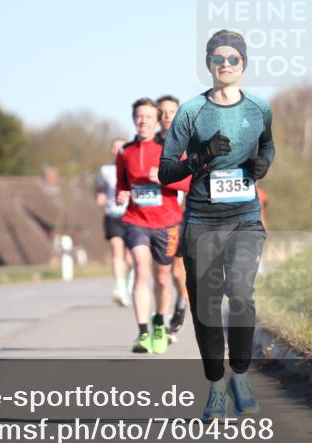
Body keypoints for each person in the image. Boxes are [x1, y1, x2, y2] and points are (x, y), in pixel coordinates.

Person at [160, 29, 274, 422]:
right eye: (218, 59)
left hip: (245, 219)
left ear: (243, 64)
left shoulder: (260, 107)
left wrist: (263, 166)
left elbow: (267, 146)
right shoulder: (191, 112)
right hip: (202, 222)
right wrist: (200, 158)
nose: (226, 65)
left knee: (240, 291)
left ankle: (240, 375)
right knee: (206, 308)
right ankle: (215, 386)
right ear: (208, 63)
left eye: (233, 59)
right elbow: (165, 171)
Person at [116, 98, 190, 354]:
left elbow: (189, 183)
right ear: (133, 119)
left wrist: (164, 178)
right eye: (139, 116)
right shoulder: (124, 152)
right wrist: (122, 194)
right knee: (140, 270)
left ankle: (160, 321)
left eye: (148, 117)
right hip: (136, 221)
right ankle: (142, 332)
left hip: (167, 222)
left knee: (161, 278)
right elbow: (122, 185)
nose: (143, 121)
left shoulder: (170, 148)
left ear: (157, 121)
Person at [156, 94, 190, 340]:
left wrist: (167, 179)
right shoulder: (150, 145)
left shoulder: (186, 145)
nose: (167, 116)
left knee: (177, 271)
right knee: (160, 271)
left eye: (171, 112)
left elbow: (193, 179)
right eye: (163, 112)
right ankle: (162, 319)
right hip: (153, 218)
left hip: (181, 214)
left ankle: (181, 303)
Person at [95, 137, 132, 306]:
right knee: (117, 251)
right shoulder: (105, 170)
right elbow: (100, 187)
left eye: (121, 147)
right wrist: (100, 196)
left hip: (132, 214)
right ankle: (120, 288)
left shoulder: (133, 166)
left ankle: (129, 280)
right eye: (114, 147)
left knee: (130, 258)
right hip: (113, 214)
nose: (117, 150)